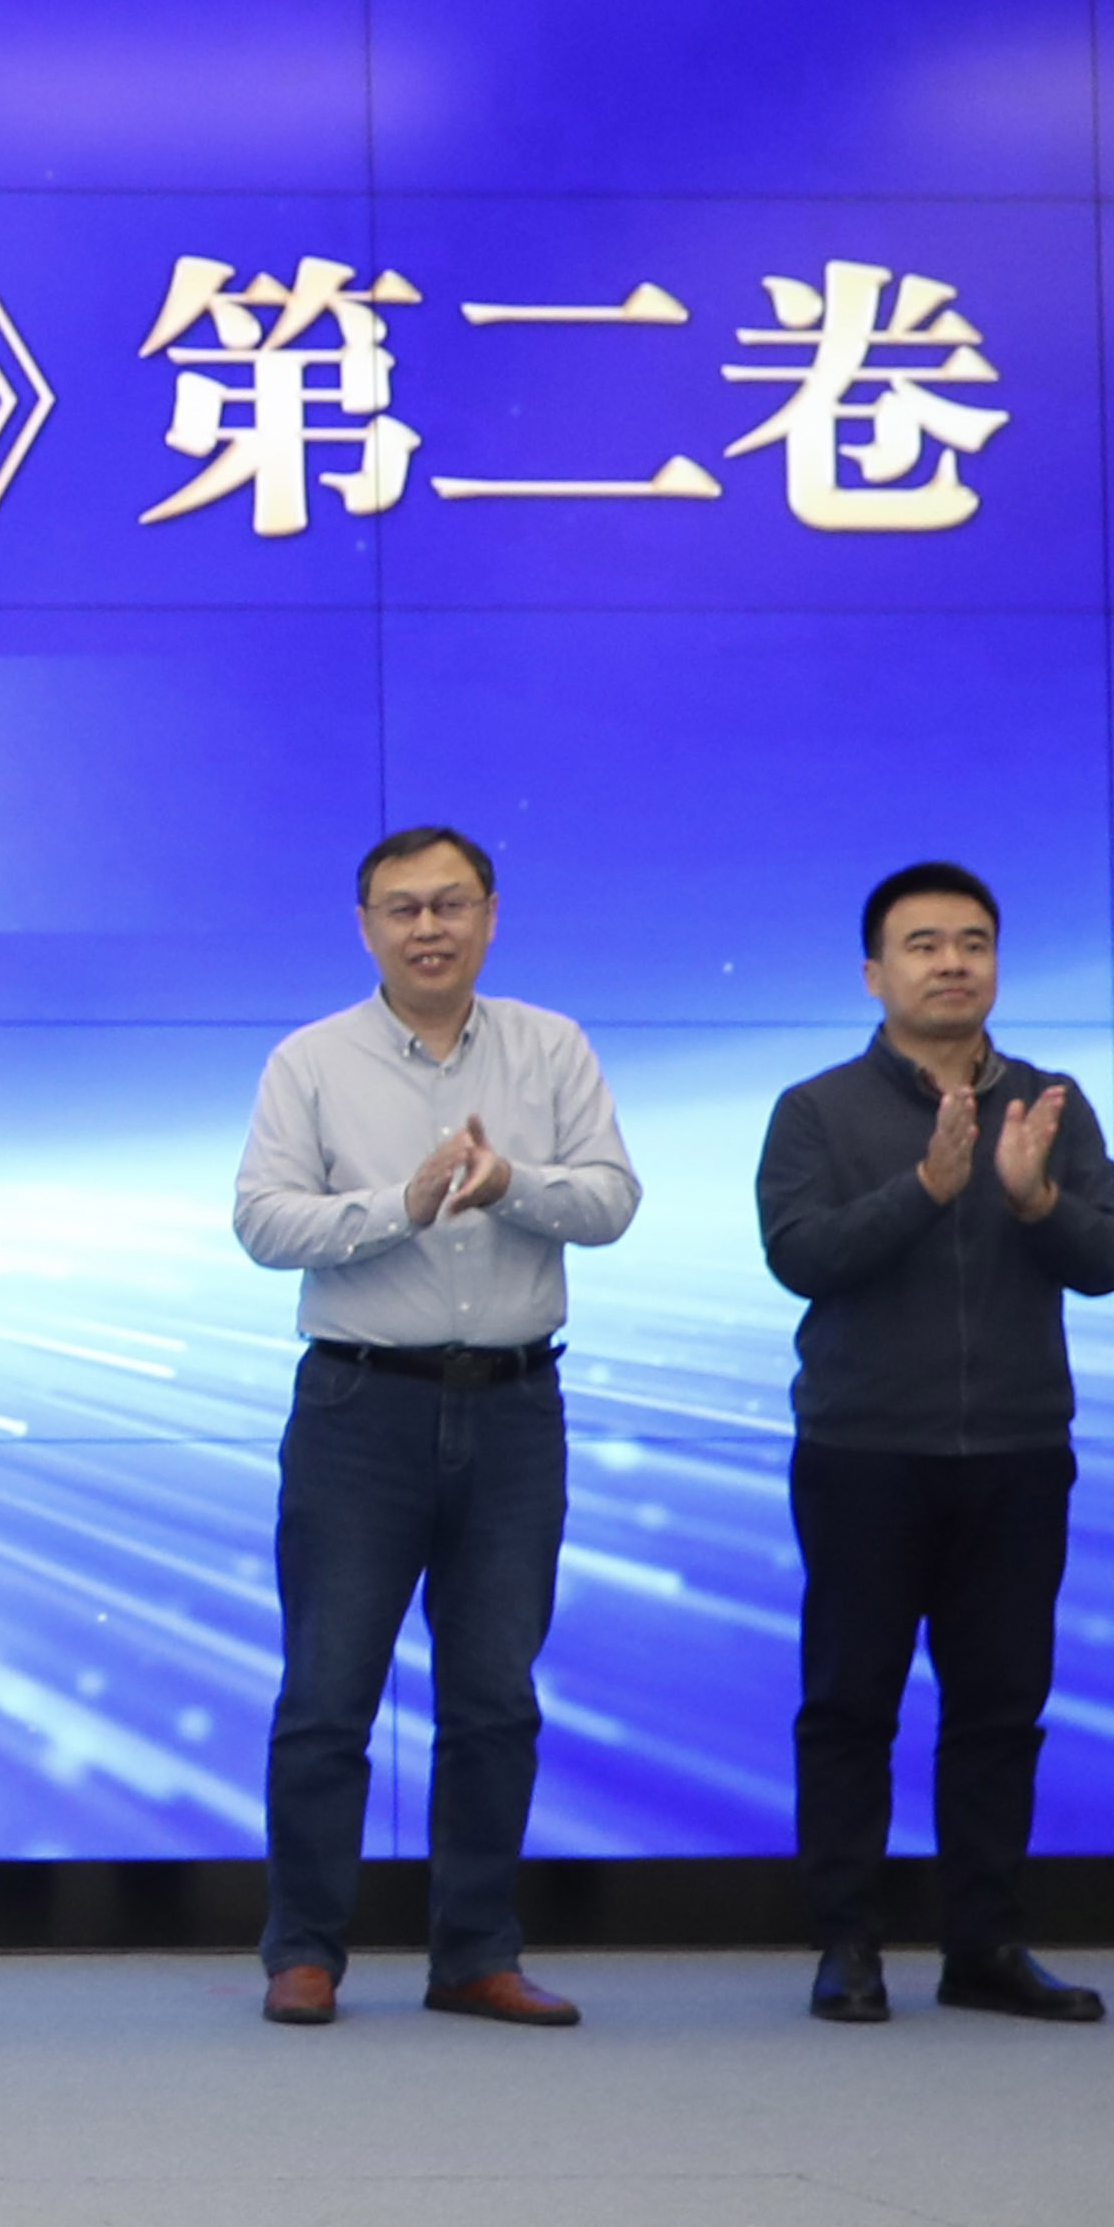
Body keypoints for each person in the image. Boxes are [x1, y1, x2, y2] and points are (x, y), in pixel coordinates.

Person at [231, 825, 640, 2030]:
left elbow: (611, 1200)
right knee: (326, 1695)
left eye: (450, 905)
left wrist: (511, 1186)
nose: (427, 928)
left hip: (514, 1407)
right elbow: (261, 1223)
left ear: (489, 917)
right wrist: (395, 1206)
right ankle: (303, 1952)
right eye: (402, 908)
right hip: (359, 1407)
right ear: (364, 927)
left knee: (493, 1697)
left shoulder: (550, 1046)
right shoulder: (309, 1060)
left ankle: (474, 1954)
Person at [754, 863, 1114, 2027]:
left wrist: (1032, 1201)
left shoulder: (1050, 1103)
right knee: (847, 1706)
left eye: (972, 942)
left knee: (998, 1710)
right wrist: (923, 1188)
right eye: (921, 945)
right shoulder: (816, 1109)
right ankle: (845, 1945)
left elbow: (1109, 1260)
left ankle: (984, 1947)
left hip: (1016, 1452)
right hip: (862, 1452)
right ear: (873, 973)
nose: (950, 963)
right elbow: (799, 1258)